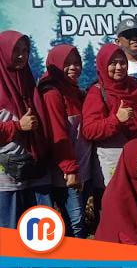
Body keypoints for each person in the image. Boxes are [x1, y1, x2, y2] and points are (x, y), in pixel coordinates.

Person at [82, 43, 137, 190]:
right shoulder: (97, 92)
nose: (119, 67)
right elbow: (89, 130)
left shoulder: (136, 87)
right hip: (113, 164)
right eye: (113, 63)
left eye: (122, 62)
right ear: (103, 65)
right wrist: (116, 120)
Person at [0, 31, 52, 228]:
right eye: (16, 50)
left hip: (36, 169)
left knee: (41, 236)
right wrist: (18, 126)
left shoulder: (27, 79)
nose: (21, 55)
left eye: (25, 50)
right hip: (7, 178)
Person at [38, 44, 91, 238]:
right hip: (67, 175)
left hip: (81, 171)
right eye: (67, 64)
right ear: (55, 65)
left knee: (78, 223)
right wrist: (70, 170)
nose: (74, 68)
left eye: (77, 63)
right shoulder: (52, 94)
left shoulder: (74, 91)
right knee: (74, 224)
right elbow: (57, 134)